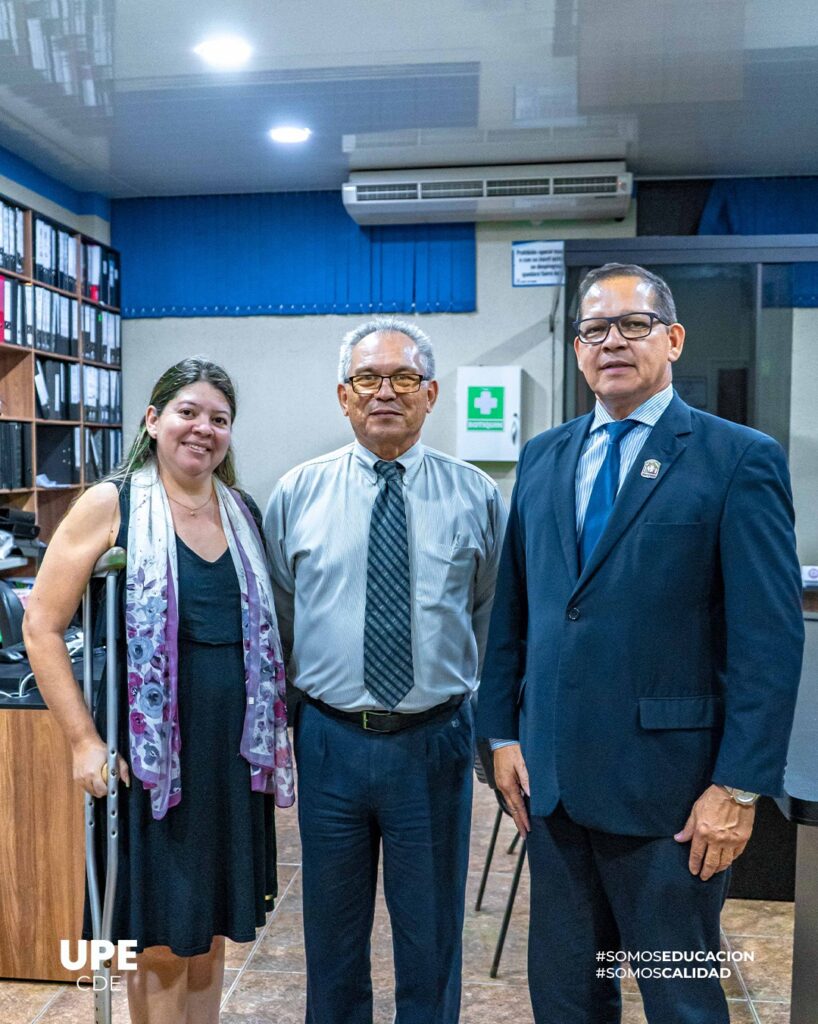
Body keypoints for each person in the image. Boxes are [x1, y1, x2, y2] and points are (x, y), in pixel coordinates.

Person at [477, 263, 804, 1024]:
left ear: (674, 338)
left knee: (680, 999)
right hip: (553, 790)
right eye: (595, 329)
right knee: (565, 997)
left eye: (634, 324)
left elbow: (769, 640)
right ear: (577, 349)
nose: (612, 342)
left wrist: (740, 786)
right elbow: (515, 616)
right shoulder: (545, 458)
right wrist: (499, 733)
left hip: (674, 799)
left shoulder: (736, 459)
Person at [24, 357, 294, 1024]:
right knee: (163, 941)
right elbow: (41, 624)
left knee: (209, 936)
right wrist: (84, 742)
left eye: (219, 419)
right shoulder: (110, 503)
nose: (202, 428)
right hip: (152, 766)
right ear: (153, 419)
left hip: (231, 761)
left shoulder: (242, 512)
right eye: (188, 412)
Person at [264, 316, 506, 1024]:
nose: (384, 393)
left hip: (433, 743)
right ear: (343, 396)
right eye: (367, 379)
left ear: (431, 394)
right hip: (330, 741)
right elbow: (281, 616)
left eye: (403, 378)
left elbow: (490, 618)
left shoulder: (477, 496)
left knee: (429, 939)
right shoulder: (297, 494)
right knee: (331, 938)